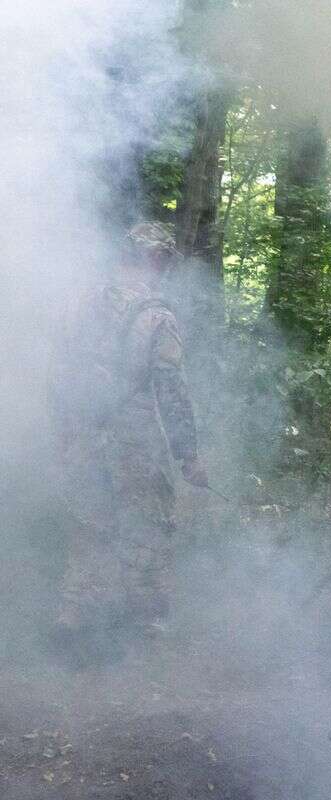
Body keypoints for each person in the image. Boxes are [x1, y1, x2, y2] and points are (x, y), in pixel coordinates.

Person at [50, 221, 208, 655]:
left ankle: (73, 616)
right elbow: (171, 389)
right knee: (149, 523)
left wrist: (65, 427)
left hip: (81, 428)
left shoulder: (76, 300)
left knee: (86, 525)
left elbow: (58, 371)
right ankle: (145, 626)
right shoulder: (157, 314)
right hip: (133, 436)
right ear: (156, 258)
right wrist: (188, 456)